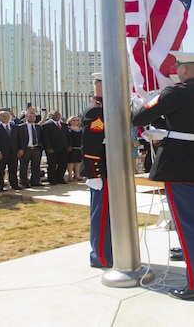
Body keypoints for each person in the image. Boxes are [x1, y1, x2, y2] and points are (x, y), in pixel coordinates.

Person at [132, 51, 194, 302]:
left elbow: (139, 117)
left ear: (184, 70)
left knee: (190, 226)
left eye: (177, 66)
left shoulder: (174, 94)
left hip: (181, 166)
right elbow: (193, 124)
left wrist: (152, 103)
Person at [81, 72, 112, 268]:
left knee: (110, 215)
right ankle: (101, 256)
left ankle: (111, 252)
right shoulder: (97, 110)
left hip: (111, 169)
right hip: (102, 171)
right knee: (102, 217)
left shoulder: (106, 108)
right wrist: (95, 174)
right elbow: (91, 147)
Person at [0, 110, 22, 192]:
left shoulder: (15, 127)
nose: (6, 118)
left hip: (13, 152)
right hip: (1, 153)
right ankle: (0, 186)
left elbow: (19, 139)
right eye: (3, 116)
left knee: (13, 169)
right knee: (0, 170)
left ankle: (14, 184)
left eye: (7, 116)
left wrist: (20, 149)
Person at [14, 109, 44, 187]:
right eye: (30, 116)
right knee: (24, 166)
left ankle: (35, 181)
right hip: (25, 149)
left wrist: (40, 147)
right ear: (26, 117)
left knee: (36, 165)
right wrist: (20, 149)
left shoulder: (38, 127)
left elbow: (41, 137)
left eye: (33, 116)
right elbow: (18, 139)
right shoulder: (20, 127)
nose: (32, 118)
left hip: (36, 148)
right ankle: (24, 182)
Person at [41, 110, 71, 185]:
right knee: (52, 164)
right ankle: (52, 179)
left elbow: (68, 136)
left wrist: (70, 145)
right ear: (51, 116)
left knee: (63, 164)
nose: (57, 116)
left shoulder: (63, 125)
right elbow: (45, 138)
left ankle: (60, 178)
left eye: (58, 115)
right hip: (53, 149)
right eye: (55, 115)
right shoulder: (47, 125)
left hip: (63, 148)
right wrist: (48, 147)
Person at [65, 116, 83, 182]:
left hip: (79, 147)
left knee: (78, 162)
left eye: (77, 120)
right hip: (71, 148)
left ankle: (77, 175)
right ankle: (70, 176)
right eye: (73, 120)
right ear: (70, 121)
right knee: (70, 162)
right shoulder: (67, 129)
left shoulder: (81, 129)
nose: (75, 121)